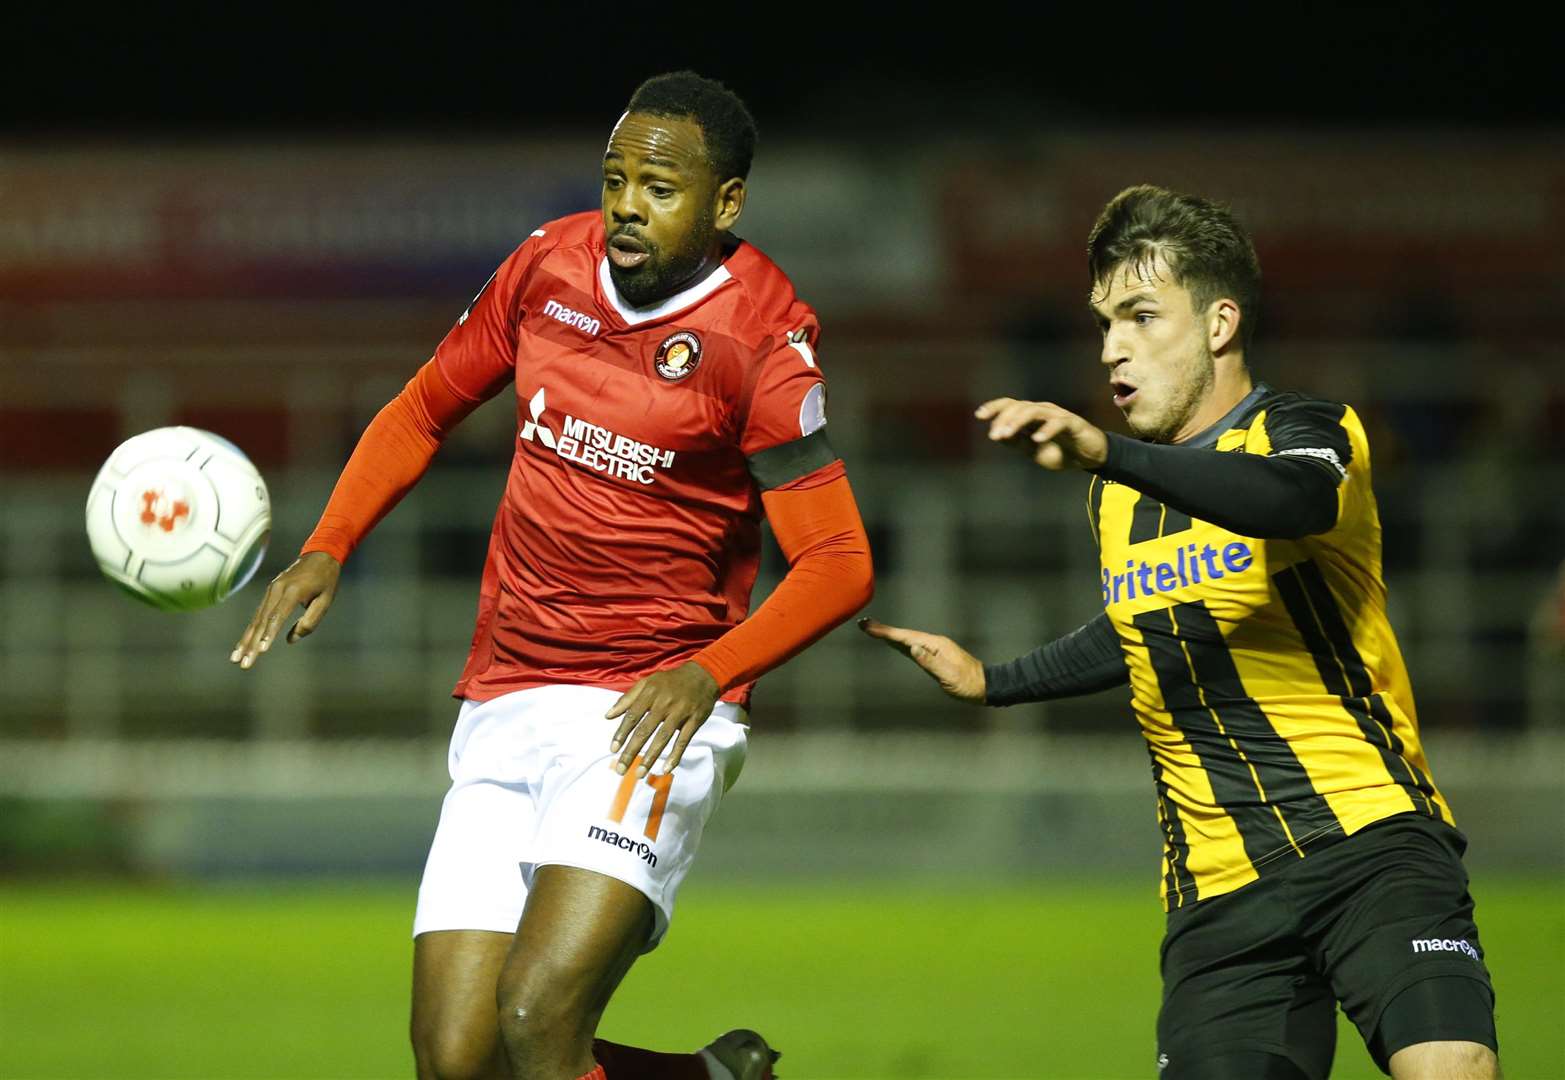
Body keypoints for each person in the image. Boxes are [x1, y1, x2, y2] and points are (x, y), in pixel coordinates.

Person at [231, 71, 873, 1080]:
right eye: (615, 178)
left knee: (535, 1016)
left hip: (645, 711)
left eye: (658, 188)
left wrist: (709, 674)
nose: (625, 203)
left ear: (725, 203)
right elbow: (419, 410)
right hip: (504, 695)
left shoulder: (760, 341)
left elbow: (838, 562)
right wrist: (330, 542)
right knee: (457, 1057)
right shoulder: (546, 266)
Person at [861, 185, 1500, 1080]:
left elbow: (1292, 501)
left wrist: (1107, 451)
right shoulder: (1115, 497)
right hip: (1215, 896)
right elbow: (1142, 626)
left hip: (1370, 843)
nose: (1112, 346)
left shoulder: (1303, 430)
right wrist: (992, 681)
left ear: (1218, 323)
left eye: (1140, 315)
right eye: (1103, 323)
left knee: (1451, 1068)